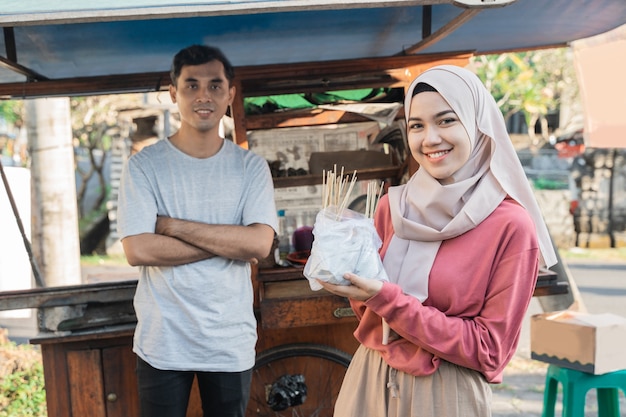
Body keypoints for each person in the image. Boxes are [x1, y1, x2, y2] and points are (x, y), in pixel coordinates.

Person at [317, 65, 558, 417]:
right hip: (368, 381)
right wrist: (342, 269)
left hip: (446, 393)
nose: (430, 138)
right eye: (417, 125)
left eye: (446, 121)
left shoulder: (510, 225)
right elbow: (367, 314)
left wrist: (386, 298)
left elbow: (490, 350)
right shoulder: (392, 208)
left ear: (477, 125)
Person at [117, 44, 278, 417]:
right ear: (173, 93)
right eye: (191, 85)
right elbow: (138, 250)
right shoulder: (144, 166)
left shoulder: (250, 168)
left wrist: (172, 227)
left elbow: (259, 243)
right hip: (163, 340)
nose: (203, 96)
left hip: (228, 339)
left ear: (230, 94)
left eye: (215, 86)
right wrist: (231, 241)